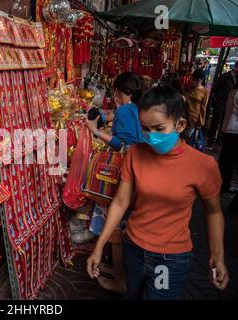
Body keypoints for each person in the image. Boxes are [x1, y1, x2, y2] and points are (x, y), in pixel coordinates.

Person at [87, 85, 229, 300]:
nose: (151, 137)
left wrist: (217, 255)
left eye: (159, 128)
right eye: (145, 129)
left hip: (170, 258)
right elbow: (120, 202)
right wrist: (99, 246)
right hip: (133, 248)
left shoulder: (203, 165)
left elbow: (214, 212)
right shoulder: (135, 153)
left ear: (179, 125)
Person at [84, 71, 143, 294]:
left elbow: (123, 144)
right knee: (118, 222)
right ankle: (117, 268)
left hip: (124, 170)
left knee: (116, 223)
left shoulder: (127, 110)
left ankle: (120, 279)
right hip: (133, 170)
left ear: (119, 92)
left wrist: (95, 131)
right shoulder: (134, 108)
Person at [207, 61, 238, 149]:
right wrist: (217, 101)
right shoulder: (225, 76)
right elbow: (215, 89)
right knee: (215, 123)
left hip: (230, 105)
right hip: (220, 103)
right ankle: (210, 142)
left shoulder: (237, 78)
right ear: (235, 67)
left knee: (224, 123)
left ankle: (219, 140)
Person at [218, 81, 238, 202]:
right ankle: (224, 184)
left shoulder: (232, 92)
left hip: (228, 127)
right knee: (230, 159)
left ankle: (221, 181)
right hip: (235, 130)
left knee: (225, 157)